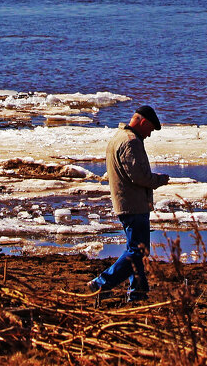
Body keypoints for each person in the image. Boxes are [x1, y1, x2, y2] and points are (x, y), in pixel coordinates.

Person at [88, 104, 170, 303]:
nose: (149, 135)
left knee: (136, 249)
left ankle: (138, 291)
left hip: (125, 203)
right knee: (138, 251)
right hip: (133, 205)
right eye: (150, 129)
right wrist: (159, 179)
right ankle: (101, 283)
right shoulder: (130, 141)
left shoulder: (117, 138)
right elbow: (138, 176)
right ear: (142, 122)